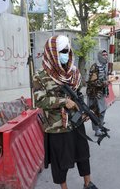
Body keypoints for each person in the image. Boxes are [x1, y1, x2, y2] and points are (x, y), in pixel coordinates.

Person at [33, 35, 98, 189]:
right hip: (57, 127)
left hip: (76, 122)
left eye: (67, 51)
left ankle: (88, 184)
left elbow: (79, 95)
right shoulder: (41, 76)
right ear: (52, 52)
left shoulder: (73, 72)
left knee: (83, 155)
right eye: (62, 51)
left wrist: (84, 111)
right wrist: (63, 102)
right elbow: (39, 100)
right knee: (61, 161)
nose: (65, 55)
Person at [86, 50, 111, 136]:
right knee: (96, 112)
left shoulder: (105, 66)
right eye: (103, 55)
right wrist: (104, 83)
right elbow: (91, 82)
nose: (105, 56)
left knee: (103, 110)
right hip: (94, 93)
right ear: (99, 56)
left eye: (106, 55)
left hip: (101, 93)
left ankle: (100, 126)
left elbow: (104, 78)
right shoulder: (95, 67)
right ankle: (97, 130)